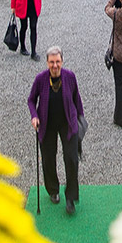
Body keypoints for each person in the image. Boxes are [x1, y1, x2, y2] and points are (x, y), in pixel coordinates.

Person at [28, 46, 85, 215]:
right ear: (47, 63)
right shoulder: (40, 79)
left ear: (62, 62)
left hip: (68, 123)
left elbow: (77, 99)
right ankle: (53, 189)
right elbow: (31, 100)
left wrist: (81, 119)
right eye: (52, 62)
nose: (55, 65)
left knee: (71, 159)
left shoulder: (70, 77)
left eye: (58, 62)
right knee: (48, 158)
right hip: (47, 123)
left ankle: (70, 198)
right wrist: (34, 116)